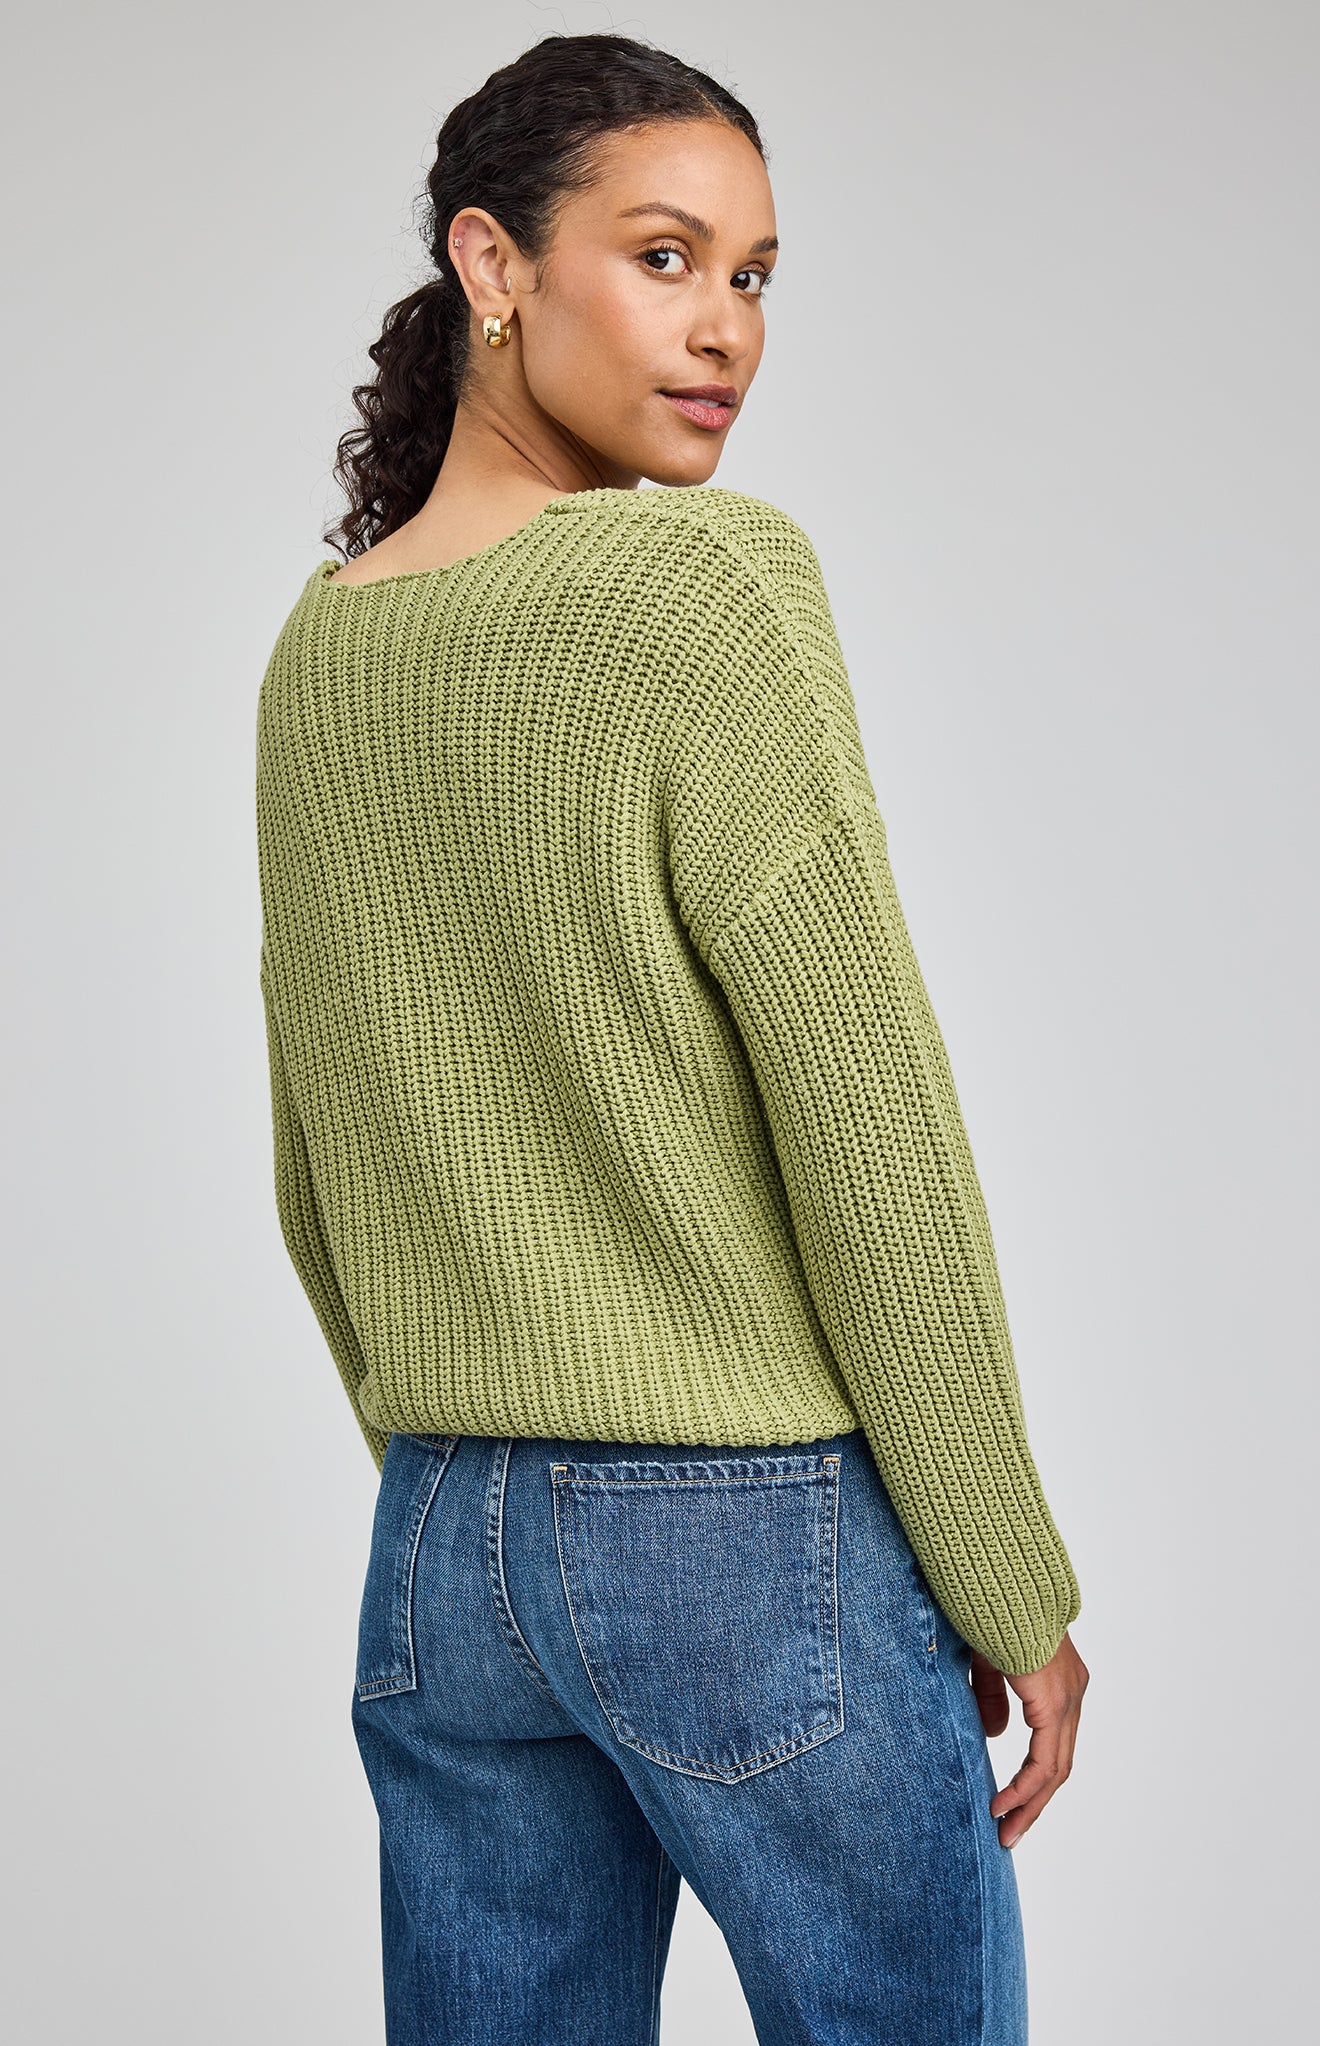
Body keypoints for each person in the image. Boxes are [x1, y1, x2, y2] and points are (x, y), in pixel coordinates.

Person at [255, 29, 1088, 2046]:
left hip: (440, 1540)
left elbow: (316, 1168)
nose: (726, 328)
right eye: (663, 256)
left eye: (755, 274)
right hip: (742, 1527)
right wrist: (1007, 1577)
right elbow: (866, 1116)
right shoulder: (701, 581)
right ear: (493, 261)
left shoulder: (322, 651)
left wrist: (474, 1482)